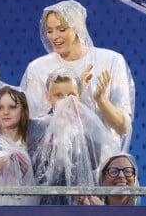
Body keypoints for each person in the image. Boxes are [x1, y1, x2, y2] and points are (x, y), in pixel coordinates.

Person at [20, 0, 135, 151]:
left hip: (105, 165)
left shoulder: (111, 61)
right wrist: (72, 96)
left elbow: (122, 128)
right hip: (56, 165)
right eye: (49, 30)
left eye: (61, 29)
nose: (54, 36)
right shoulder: (38, 68)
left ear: (78, 28)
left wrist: (101, 99)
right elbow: (32, 127)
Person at [31, 69, 119, 205]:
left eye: (71, 94)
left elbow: (93, 162)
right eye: (58, 95)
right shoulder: (38, 125)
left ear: (78, 96)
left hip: (80, 202)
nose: (66, 100)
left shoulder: (88, 125)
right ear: (47, 95)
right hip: (46, 203)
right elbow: (37, 167)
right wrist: (57, 134)